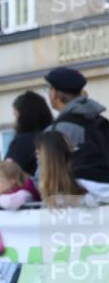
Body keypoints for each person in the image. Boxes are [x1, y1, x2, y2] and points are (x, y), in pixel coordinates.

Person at [44, 66, 109, 195]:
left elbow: (46, 173)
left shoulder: (58, 130)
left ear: (54, 93)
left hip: (75, 203)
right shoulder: (101, 121)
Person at [4, 90, 53, 176]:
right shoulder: (53, 135)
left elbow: (10, 175)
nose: (13, 122)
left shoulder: (22, 142)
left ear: (22, 116)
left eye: (15, 115)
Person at [35, 131, 86, 206]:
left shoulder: (81, 173)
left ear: (47, 155)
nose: (37, 158)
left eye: (38, 153)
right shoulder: (43, 178)